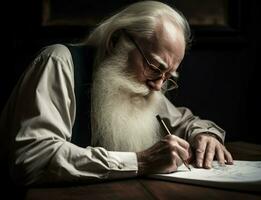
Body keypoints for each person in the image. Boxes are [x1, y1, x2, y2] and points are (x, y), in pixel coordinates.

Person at [0, 1, 233, 186]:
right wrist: (141, 162)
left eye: (168, 77)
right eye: (154, 66)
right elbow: (32, 160)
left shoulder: (147, 84)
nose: (158, 86)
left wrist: (205, 135)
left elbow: (187, 122)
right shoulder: (59, 63)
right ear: (115, 41)